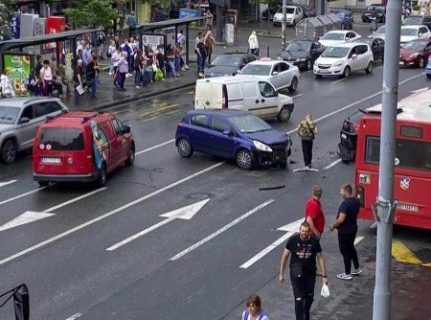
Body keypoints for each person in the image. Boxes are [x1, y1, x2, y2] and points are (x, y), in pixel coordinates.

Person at [279, 222, 328, 320]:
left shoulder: (314, 242)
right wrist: (281, 273)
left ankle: (306, 312)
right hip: (296, 274)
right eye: (302, 231)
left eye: (306, 231)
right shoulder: (293, 240)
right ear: (299, 230)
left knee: (309, 298)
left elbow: (320, 257)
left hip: (310, 274)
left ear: (309, 231)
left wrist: (324, 276)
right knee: (299, 299)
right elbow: (285, 256)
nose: (304, 233)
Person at [330, 184, 363, 280]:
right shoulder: (356, 201)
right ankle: (357, 268)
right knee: (351, 247)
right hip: (353, 228)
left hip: (344, 231)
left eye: (341, 191)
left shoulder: (345, 204)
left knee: (345, 251)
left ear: (345, 191)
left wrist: (333, 226)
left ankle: (347, 273)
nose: (340, 193)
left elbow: (341, 219)